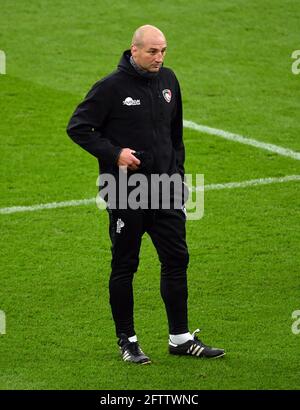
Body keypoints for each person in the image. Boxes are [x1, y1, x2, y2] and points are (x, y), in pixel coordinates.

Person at [67, 25, 225, 364]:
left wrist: (178, 177)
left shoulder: (169, 81)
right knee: (125, 265)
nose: (160, 57)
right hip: (126, 192)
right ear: (134, 50)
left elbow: (175, 135)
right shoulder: (110, 87)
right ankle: (128, 341)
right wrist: (115, 154)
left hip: (166, 190)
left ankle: (180, 338)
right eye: (153, 51)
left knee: (176, 260)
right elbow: (79, 127)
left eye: (164, 50)